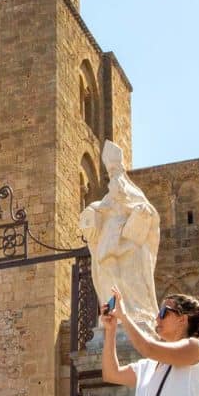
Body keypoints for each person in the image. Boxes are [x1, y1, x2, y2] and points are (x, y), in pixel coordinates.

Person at [80, 140, 161, 332]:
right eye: (111, 173)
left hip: (129, 245)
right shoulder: (108, 198)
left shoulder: (132, 193)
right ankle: (115, 313)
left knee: (131, 279)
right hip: (109, 243)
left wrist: (141, 211)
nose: (114, 177)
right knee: (109, 277)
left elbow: (148, 212)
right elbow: (98, 209)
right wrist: (92, 211)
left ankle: (136, 312)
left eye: (116, 171)